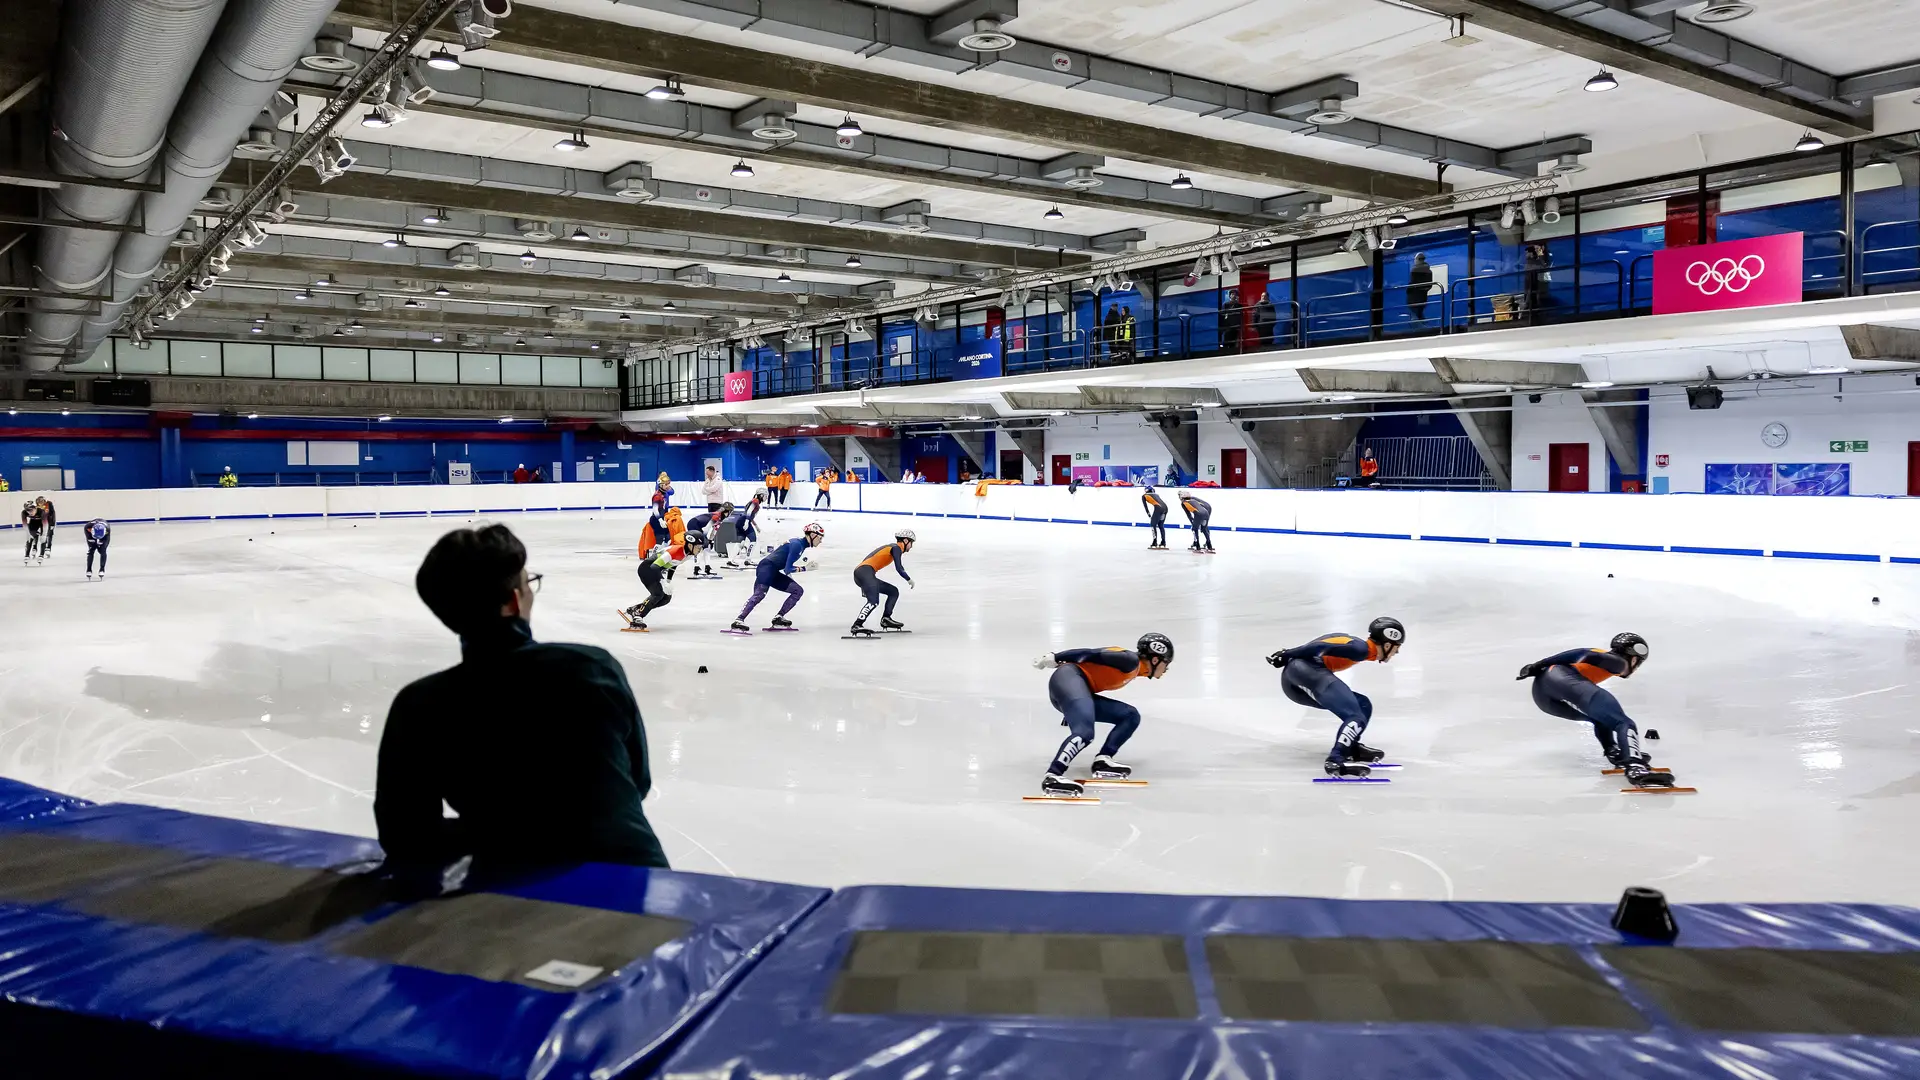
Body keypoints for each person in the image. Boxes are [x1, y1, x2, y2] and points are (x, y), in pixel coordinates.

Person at [377, 524, 668, 883]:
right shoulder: (591, 670)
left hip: (507, 897)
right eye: (529, 582)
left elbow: (404, 835)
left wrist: (499, 831)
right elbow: (636, 781)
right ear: (515, 600)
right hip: (629, 881)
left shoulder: (420, 704)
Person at [1516, 634, 1675, 788]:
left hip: (1542, 695)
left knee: (1599, 717)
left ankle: (1613, 751)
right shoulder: (1619, 662)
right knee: (1623, 722)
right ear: (1633, 658)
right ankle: (1635, 766)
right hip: (1564, 680)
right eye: (1638, 663)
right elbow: (1583, 654)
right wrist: (1537, 665)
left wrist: (1537, 667)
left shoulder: (1606, 660)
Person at [1030, 633, 1174, 798]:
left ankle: (1103, 760)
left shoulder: (1137, 669)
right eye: (1166, 663)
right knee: (1084, 733)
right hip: (1068, 679)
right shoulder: (1130, 660)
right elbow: (1091, 654)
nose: (1166, 669)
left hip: (1075, 686)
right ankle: (1053, 775)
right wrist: (1055, 657)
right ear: (1155, 660)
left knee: (1130, 716)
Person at [1265, 618, 1404, 778]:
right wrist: (1287, 653)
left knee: (1363, 704)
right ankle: (1335, 760)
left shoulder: (1359, 646)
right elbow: (1320, 647)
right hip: (1305, 672)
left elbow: (1324, 642)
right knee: (1355, 715)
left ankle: (1350, 747)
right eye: (1396, 648)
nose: (1396, 653)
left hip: (1295, 680)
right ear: (1387, 645)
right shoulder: (1360, 649)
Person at [731, 522, 824, 632]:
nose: (821, 541)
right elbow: (788, 569)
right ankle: (738, 620)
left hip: (773, 570)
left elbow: (786, 568)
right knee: (760, 594)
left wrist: (791, 582)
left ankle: (778, 618)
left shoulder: (800, 545)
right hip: (766, 568)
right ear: (813, 535)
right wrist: (805, 568)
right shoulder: (797, 545)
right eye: (820, 537)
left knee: (797, 590)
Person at [622, 526, 705, 630]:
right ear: (690, 544)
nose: (700, 550)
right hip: (647, 569)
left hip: (655, 570)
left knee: (666, 598)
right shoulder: (675, 551)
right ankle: (638, 615)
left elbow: (674, 564)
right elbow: (654, 566)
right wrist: (662, 581)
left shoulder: (688, 554)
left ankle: (636, 609)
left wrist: (668, 581)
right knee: (658, 594)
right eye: (698, 547)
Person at [850, 528, 915, 636]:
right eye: (911, 543)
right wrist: (908, 579)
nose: (911, 547)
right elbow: (899, 568)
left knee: (893, 592)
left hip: (863, 573)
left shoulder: (891, 547)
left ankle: (886, 618)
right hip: (865, 572)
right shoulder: (896, 548)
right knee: (873, 601)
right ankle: (857, 624)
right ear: (906, 540)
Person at [682, 502, 733, 578]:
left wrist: (711, 540)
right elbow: (706, 529)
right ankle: (697, 568)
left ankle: (707, 567)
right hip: (694, 524)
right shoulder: (717, 516)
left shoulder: (721, 517)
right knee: (699, 546)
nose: (731, 514)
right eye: (731, 511)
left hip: (699, 525)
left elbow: (714, 530)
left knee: (707, 547)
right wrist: (707, 540)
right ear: (728, 511)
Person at [1406, 253, 1434, 325]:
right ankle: (1423, 325)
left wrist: (1409, 289)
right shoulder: (1429, 271)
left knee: (1415, 313)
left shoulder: (1414, 270)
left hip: (1414, 297)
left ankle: (1417, 327)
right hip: (1423, 296)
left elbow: (1413, 283)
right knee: (1419, 312)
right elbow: (1429, 285)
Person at [1142, 485, 1170, 550]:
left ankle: (1154, 542)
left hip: (1158, 508)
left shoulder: (1144, 496)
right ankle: (1163, 542)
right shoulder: (1156, 495)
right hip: (1165, 508)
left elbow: (1145, 506)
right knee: (1161, 525)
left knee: (1153, 525)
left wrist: (1149, 514)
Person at [32, 496, 54, 561]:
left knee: (49, 534)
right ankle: (34, 547)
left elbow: (52, 514)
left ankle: (48, 547)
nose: (40, 503)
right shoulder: (36, 507)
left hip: (48, 521)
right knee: (37, 535)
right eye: (39, 502)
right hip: (40, 522)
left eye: (42, 502)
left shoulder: (49, 504)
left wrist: (52, 523)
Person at [21, 499, 43, 564]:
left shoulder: (41, 511)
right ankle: (32, 549)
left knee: (43, 536)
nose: (30, 513)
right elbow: (25, 525)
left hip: (42, 522)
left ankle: (37, 549)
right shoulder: (24, 512)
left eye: (31, 510)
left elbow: (46, 524)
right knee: (31, 535)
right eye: (27, 511)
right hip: (33, 522)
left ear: (35, 508)